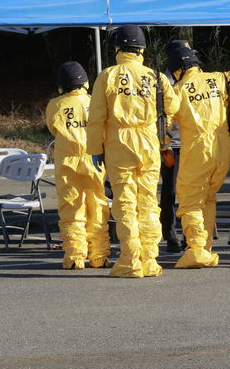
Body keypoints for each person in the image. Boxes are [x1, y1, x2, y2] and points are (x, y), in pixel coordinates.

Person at [87, 25, 179, 278]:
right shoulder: (156, 76)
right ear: (142, 49)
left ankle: (129, 260)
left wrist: (95, 149)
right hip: (149, 141)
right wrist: (160, 131)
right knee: (149, 200)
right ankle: (150, 259)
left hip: (120, 142)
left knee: (125, 202)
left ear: (117, 48)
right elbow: (171, 107)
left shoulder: (107, 75)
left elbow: (96, 118)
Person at [167, 40, 230, 268]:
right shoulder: (220, 78)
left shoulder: (178, 89)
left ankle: (195, 250)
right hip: (222, 145)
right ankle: (205, 249)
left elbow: (166, 120)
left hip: (197, 148)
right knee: (208, 198)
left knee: (190, 199)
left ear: (177, 69)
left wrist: (163, 142)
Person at [46, 61, 111, 269]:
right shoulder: (95, 102)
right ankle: (99, 256)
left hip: (68, 162)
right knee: (97, 207)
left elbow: (53, 129)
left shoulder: (55, 105)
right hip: (94, 160)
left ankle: (75, 257)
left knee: (72, 209)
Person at [159, 121, 182, 253]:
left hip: (193, 143)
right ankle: (171, 237)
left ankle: (190, 237)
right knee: (170, 190)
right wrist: (165, 144)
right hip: (171, 146)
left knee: (192, 192)